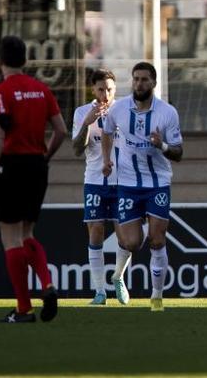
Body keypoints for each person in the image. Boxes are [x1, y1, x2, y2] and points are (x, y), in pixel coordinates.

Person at [0, 36, 67, 323]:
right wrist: (45, 157)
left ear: (0, 61)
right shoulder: (42, 89)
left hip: (11, 167)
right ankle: (47, 284)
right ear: (25, 61)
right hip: (37, 167)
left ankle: (24, 309)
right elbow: (61, 130)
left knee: (11, 239)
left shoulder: (2, 91)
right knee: (27, 234)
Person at [100, 62, 183, 312]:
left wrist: (163, 146)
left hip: (157, 183)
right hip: (127, 183)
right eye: (136, 79)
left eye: (144, 79)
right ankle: (118, 276)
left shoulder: (167, 113)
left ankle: (156, 297)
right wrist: (106, 159)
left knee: (157, 240)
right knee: (133, 243)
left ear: (154, 83)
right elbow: (106, 132)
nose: (139, 84)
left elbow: (178, 153)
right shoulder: (119, 109)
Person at [72, 69, 120, 306]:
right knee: (96, 231)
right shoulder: (82, 112)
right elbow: (76, 148)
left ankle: (118, 276)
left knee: (127, 237)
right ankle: (100, 292)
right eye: (101, 89)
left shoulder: (124, 110)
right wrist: (87, 123)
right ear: (93, 89)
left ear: (115, 89)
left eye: (109, 89)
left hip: (123, 182)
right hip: (93, 181)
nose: (105, 94)